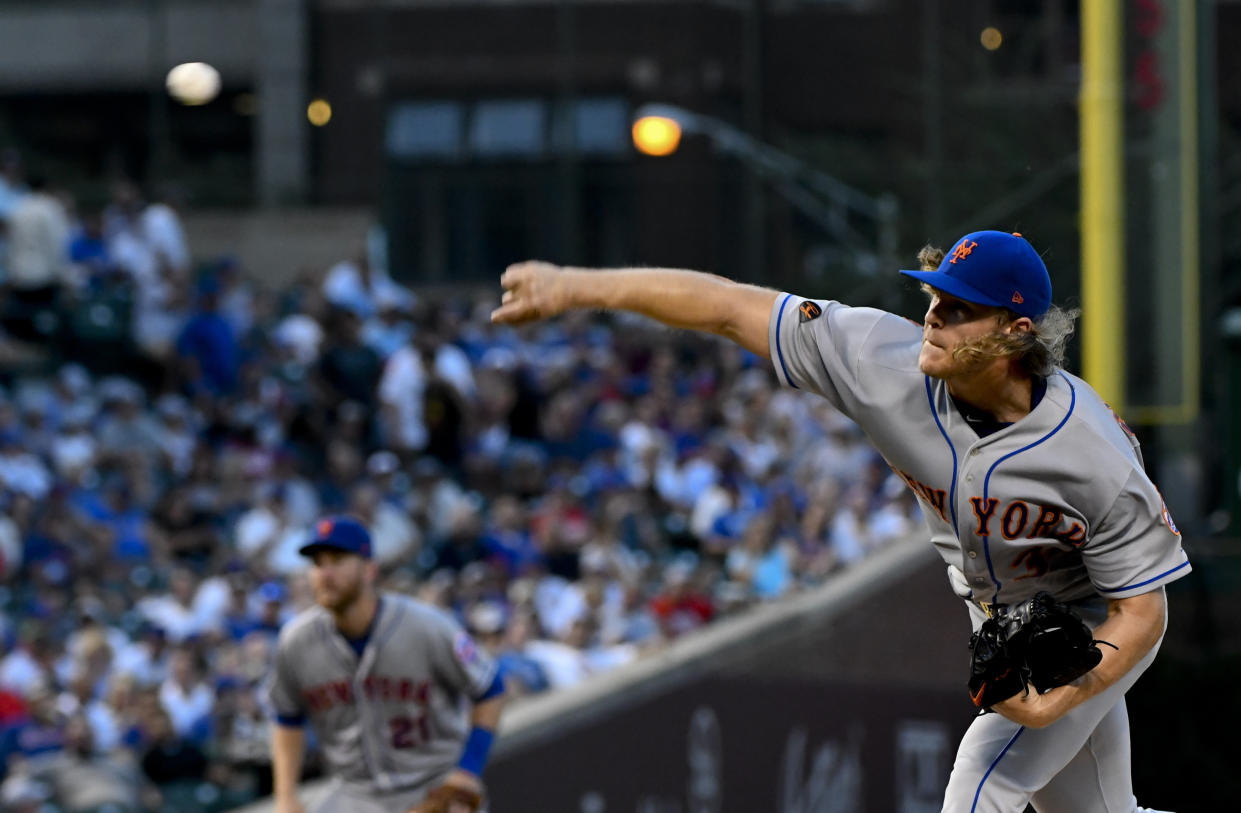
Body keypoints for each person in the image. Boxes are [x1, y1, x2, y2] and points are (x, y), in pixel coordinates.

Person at [491, 230, 1189, 812]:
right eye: (935, 298)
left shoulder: (1092, 450)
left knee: (987, 773)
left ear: (1016, 332)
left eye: (959, 308)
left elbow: (1143, 612)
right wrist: (576, 286)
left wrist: (1066, 692)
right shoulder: (881, 361)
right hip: (994, 611)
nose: (933, 317)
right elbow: (730, 308)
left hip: (1086, 623)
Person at [266, 516, 506, 813]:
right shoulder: (296, 642)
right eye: (317, 563)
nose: (325, 573)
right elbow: (287, 718)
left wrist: (468, 769)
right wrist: (285, 796)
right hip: (356, 795)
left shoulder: (426, 626)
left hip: (434, 783)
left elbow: (490, 688)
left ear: (370, 569)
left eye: (338, 560)